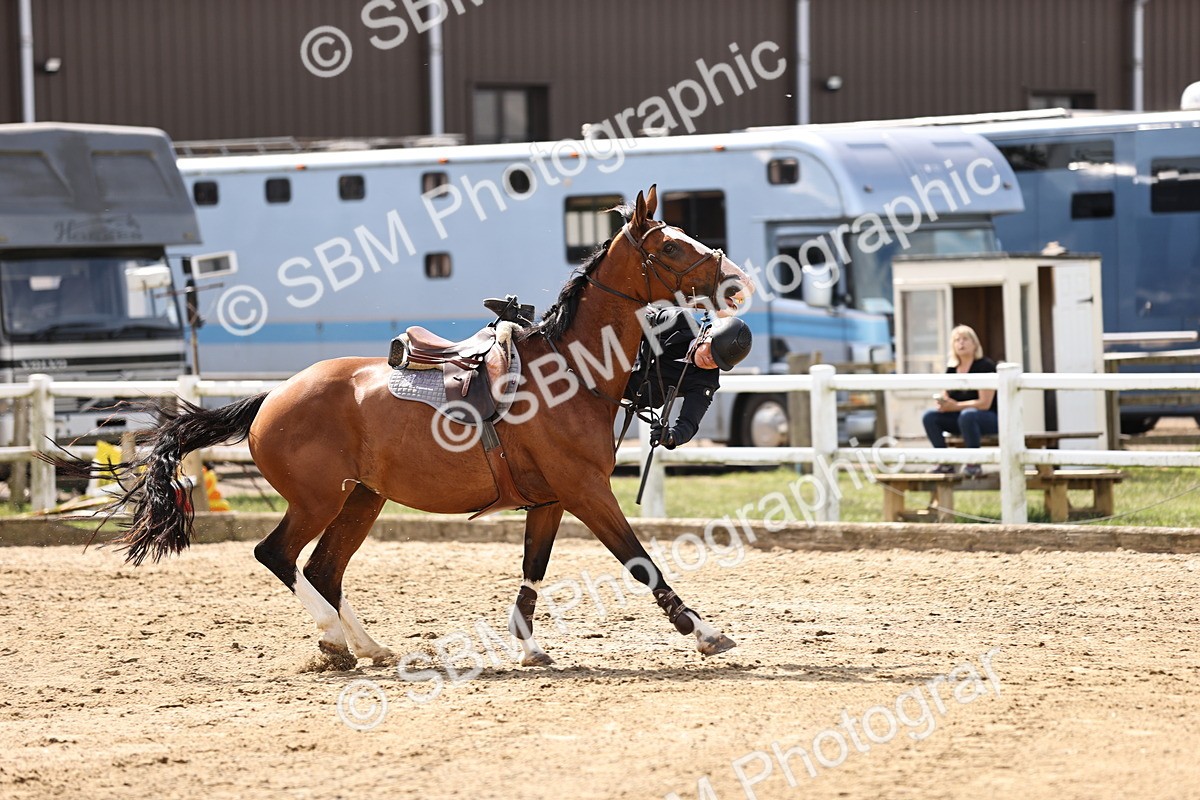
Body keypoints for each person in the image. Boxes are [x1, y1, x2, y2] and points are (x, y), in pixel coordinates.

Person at [624, 307, 753, 449]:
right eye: (711, 350)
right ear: (707, 333)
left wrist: (670, 437)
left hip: (622, 397)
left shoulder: (706, 382)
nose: (709, 360)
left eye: (717, 361)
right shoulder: (677, 320)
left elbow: (689, 424)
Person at [922, 324, 998, 477]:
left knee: (968, 415)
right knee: (929, 417)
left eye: (965, 339)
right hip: (960, 419)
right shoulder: (951, 369)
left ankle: (973, 463)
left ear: (975, 343)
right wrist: (943, 404)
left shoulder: (985, 366)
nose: (961, 343)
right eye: (957, 340)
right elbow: (946, 395)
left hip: (987, 419)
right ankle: (944, 462)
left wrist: (955, 406)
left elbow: (985, 403)